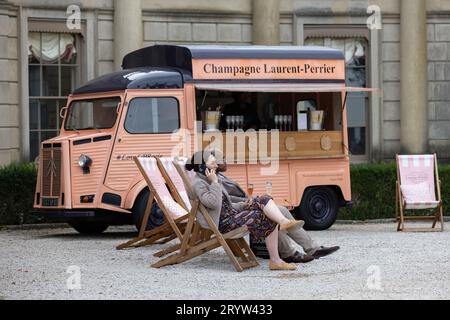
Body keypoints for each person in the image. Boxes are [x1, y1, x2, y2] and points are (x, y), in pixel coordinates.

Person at [186, 149, 304, 271]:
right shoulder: (199, 183)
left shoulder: (210, 179)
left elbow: (226, 206)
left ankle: (283, 222)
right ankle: (275, 261)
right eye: (213, 163)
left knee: (263, 199)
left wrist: (244, 204)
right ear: (202, 166)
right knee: (264, 215)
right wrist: (215, 182)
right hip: (223, 223)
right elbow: (213, 203)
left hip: (231, 216)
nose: (216, 165)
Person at [215, 155, 340, 263]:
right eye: (223, 159)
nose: (226, 161)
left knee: (282, 210)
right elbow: (224, 201)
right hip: (235, 213)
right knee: (271, 214)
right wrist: (245, 202)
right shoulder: (212, 180)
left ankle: (312, 248)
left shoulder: (219, 176)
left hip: (241, 207)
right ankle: (288, 253)